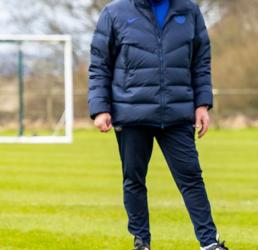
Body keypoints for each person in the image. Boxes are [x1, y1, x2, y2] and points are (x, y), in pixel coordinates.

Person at [88, 0, 227, 249]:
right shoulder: (114, 13)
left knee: (192, 179)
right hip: (131, 115)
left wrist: (202, 104)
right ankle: (142, 242)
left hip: (178, 113)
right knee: (134, 180)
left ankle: (209, 243)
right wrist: (100, 108)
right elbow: (100, 65)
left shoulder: (189, 11)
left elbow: (201, 62)